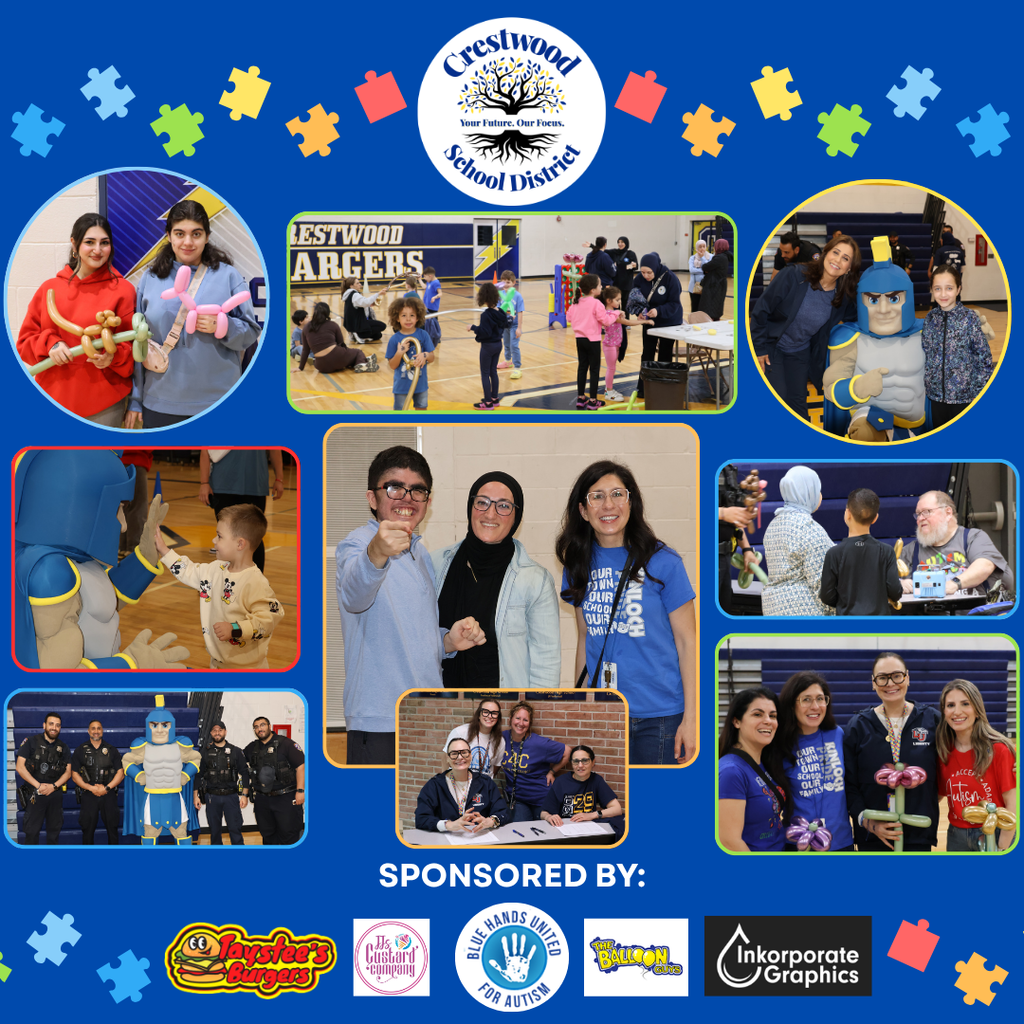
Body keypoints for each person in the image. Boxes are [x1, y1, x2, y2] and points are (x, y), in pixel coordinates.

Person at [335, 446, 485, 764]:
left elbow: (410, 636)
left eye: (417, 490)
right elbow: (353, 596)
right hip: (379, 720)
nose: (407, 498)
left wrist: (448, 640)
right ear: (372, 498)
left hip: (426, 714)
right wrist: (376, 552)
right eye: (394, 488)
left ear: (427, 502)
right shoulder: (358, 544)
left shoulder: (420, 553)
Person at [557, 460, 696, 764]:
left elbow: (689, 643)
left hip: (660, 716)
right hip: (606, 712)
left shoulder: (664, 561)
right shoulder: (577, 566)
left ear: (631, 502)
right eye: (597, 496)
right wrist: (582, 703)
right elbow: (585, 638)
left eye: (617, 494)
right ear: (583, 510)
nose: (608, 505)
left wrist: (692, 719)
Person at [128, 199, 260, 428]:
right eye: (180, 234)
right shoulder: (150, 279)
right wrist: (136, 399)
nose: (188, 242)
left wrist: (224, 326)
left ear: (207, 237)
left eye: (196, 234)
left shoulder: (228, 276)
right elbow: (139, 342)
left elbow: (251, 333)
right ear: (169, 236)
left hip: (219, 400)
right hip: (160, 400)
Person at [433, 471, 560, 688]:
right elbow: (418, 641)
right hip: (441, 701)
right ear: (470, 507)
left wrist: (533, 708)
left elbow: (546, 665)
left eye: (503, 506)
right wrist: (447, 641)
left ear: (516, 516)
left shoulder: (536, 581)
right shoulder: (435, 564)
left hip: (505, 706)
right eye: (482, 502)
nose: (490, 514)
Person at [17, 213, 136, 425]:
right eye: (89, 242)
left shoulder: (124, 290)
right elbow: (24, 342)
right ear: (74, 243)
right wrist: (50, 344)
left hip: (105, 404)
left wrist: (112, 356)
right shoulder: (49, 288)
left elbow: (133, 348)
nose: (97, 250)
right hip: (52, 399)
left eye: (104, 243)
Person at [157, 503, 285, 668]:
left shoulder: (255, 582)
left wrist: (234, 628)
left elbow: (268, 620)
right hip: (217, 663)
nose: (214, 540)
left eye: (219, 536)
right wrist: (164, 550)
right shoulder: (215, 569)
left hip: (248, 669)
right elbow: (188, 570)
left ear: (240, 544)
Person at [751, 236, 860, 420]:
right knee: (779, 397)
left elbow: (858, 318)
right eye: (835, 253)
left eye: (845, 258)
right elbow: (762, 309)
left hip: (799, 352)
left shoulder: (842, 297)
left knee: (799, 406)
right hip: (772, 347)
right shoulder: (794, 275)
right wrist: (759, 348)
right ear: (825, 253)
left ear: (849, 268)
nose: (837, 260)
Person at [843, 652, 940, 851]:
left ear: (907, 677)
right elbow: (849, 785)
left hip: (918, 835)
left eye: (897, 676)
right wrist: (869, 823)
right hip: (873, 837)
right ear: (873, 683)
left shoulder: (932, 720)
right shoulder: (858, 726)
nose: (890, 683)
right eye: (882, 678)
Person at [936, 680, 1016, 851]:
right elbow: (938, 794)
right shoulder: (943, 752)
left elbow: (1012, 803)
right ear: (944, 712)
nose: (957, 711)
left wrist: (1002, 846)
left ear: (977, 709)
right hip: (956, 835)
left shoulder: (999, 750)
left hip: (994, 831)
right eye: (950, 705)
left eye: (965, 704)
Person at [777, 674, 854, 851]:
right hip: (799, 843)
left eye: (820, 699)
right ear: (791, 704)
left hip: (840, 842)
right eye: (806, 699)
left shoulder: (837, 734)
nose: (815, 706)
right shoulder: (780, 744)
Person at [900, 491, 1014, 600]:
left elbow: (985, 566)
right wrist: (900, 584)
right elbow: (890, 577)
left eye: (926, 512)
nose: (920, 518)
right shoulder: (912, 550)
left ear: (948, 513)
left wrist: (955, 583)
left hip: (975, 612)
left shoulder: (973, 537)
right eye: (918, 514)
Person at [718, 687, 789, 852]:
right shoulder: (731, 772)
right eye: (758, 714)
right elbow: (729, 842)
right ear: (736, 721)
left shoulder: (764, 763)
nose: (768, 721)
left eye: (773, 716)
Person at [922, 265, 992, 427]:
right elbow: (926, 351)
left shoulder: (969, 318)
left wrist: (977, 391)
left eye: (949, 288)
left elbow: (984, 358)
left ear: (958, 289)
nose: (943, 294)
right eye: (937, 288)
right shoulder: (930, 318)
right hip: (936, 397)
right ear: (931, 290)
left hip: (964, 398)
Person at [761, 466, 834, 617]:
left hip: (772, 610)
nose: (820, 495)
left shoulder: (773, 525)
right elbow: (824, 585)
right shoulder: (809, 528)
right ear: (807, 492)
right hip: (805, 613)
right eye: (817, 490)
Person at [198, 449, 286, 573]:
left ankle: (256, 580)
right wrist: (204, 482)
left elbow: (275, 448)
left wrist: (279, 479)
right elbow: (206, 450)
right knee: (226, 536)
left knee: (253, 537)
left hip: (255, 485)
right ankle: (228, 580)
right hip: (223, 485)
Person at [819, 488, 902, 615]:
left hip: (847, 624)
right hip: (880, 625)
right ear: (875, 518)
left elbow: (826, 596)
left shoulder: (834, 553)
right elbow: (895, 592)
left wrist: (844, 603)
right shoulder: (887, 551)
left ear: (848, 514)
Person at [415, 737, 509, 833]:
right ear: (447, 758)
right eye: (454, 754)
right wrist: (448, 825)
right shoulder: (434, 785)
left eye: (464, 752)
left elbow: (503, 811)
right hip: (446, 839)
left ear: (471, 755)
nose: (460, 757)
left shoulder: (486, 783)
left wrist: (492, 821)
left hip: (478, 837)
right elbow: (421, 818)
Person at [500, 702, 570, 822]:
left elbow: (567, 752)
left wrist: (552, 772)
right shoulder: (502, 738)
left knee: (546, 830)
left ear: (530, 723)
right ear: (511, 719)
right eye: (518, 718)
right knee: (519, 831)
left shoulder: (538, 743)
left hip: (541, 798)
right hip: (519, 799)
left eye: (525, 720)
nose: (521, 723)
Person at [244, 717, 304, 845]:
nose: (260, 729)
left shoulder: (286, 744)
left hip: (285, 797)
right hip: (262, 799)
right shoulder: (252, 747)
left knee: (289, 834)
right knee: (267, 835)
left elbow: (301, 766)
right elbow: (237, 759)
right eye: (256, 727)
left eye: (262, 725)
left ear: (269, 726)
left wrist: (300, 791)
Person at [541, 744, 623, 835]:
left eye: (585, 761)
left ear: (593, 762)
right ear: (571, 763)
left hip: (589, 829)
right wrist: (549, 817)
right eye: (576, 761)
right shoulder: (561, 782)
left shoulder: (596, 780)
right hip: (564, 829)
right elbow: (543, 813)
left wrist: (591, 815)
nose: (580, 765)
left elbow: (617, 809)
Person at [631, 253, 681, 400]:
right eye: (642, 272)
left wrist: (659, 311)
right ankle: (643, 388)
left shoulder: (670, 278)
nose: (645, 276)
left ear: (656, 268)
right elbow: (634, 298)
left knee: (665, 353)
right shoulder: (639, 279)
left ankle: (663, 387)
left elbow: (674, 303)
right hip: (649, 321)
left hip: (669, 320)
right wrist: (639, 312)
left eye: (649, 272)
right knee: (647, 352)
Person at [16, 713, 71, 845]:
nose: (54, 728)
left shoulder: (64, 747)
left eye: (57, 725)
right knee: (31, 833)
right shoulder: (30, 742)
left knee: (54, 833)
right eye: (51, 724)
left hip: (55, 794)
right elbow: (20, 767)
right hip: (35, 794)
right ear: (44, 725)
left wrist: (53, 786)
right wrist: (39, 786)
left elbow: (68, 772)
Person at [195, 721, 251, 846]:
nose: (217, 733)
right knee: (214, 831)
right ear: (211, 733)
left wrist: (245, 795)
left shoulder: (236, 751)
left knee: (235, 829)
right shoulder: (205, 752)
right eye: (214, 730)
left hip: (231, 797)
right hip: (212, 797)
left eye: (220, 730)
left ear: (225, 732)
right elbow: (198, 775)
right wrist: (195, 796)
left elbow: (245, 773)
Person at [71, 719, 124, 845]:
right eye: (93, 728)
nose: (96, 731)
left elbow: (121, 773)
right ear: (88, 731)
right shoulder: (80, 750)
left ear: (102, 731)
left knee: (112, 829)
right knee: (87, 830)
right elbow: (74, 775)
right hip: (89, 795)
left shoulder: (112, 750)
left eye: (99, 728)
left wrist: (106, 788)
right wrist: (91, 788)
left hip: (108, 794)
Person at [718, 465, 759, 614]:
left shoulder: (728, 469)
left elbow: (735, 519)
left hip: (724, 557)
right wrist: (722, 513)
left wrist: (747, 549)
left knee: (724, 607)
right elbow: (690, 510)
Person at [597, 286, 646, 402]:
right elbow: (627, 322)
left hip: (616, 344)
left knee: (612, 368)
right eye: (617, 300)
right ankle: (608, 391)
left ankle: (609, 389)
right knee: (611, 368)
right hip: (610, 345)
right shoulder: (610, 313)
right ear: (609, 301)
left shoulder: (614, 313)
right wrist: (645, 321)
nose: (620, 302)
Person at [386, 295, 434, 410]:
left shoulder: (423, 335)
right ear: (397, 318)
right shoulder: (394, 339)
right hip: (401, 387)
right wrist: (399, 353)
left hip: (421, 386)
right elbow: (392, 365)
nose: (408, 319)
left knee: (421, 410)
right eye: (404, 315)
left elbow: (432, 357)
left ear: (417, 317)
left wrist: (425, 355)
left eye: (412, 315)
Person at [297, 302, 373, 375]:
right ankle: (362, 362)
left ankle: (360, 360)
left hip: (321, 366)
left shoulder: (306, 327)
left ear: (314, 312)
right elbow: (341, 343)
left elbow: (305, 350)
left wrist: (300, 368)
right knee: (358, 352)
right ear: (328, 313)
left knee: (343, 359)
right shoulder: (333, 324)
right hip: (336, 358)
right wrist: (347, 354)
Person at [567, 273, 606, 410]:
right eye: (600, 285)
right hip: (593, 341)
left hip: (580, 340)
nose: (601, 287)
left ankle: (581, 397)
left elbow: (569, 318)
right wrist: (616, 314)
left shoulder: (576, 302)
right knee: (594, 369)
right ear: (593, 290)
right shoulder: (597, 303)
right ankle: (593, 400)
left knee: (582, 367)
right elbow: (605, 321)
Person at [443, 699, 506, 776]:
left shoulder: (500, 741)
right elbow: (446, 758)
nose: (490, 716)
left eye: (494, 713)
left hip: (484, 783)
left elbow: (495, 768)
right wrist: (444, 779)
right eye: (485, 712)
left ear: (498, 717)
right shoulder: (460, 732)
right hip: (458, 782)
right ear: (479, 715)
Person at [467, 282, 505, 409]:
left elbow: (485, 332)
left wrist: (473, 327)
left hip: (488, 347)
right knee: (493, 371)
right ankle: (495, 398)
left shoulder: (486, 315)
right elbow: (505, 324)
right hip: (498, 344)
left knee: (485, 373)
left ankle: (488, 403)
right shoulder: (501, 312)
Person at [611, 237, 638, 358]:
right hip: (617, 282)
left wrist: (632, 266)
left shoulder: (631, 254)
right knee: (616, 302)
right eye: (619, 242)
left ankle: (626, 321)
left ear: (626, 243)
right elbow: (603, 251)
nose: (620, 244)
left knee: (626, 302)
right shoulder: (615, 253)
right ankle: (616, 319)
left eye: (622, 242)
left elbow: (635, 265)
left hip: (627, 283)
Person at [496, 270, 525, 379]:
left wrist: (519, 328)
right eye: (503, 282)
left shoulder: (517, 296)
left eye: (508, 282)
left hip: (514, 325)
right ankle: (508, 361)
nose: (506, 285)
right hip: (505, 325)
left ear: (514, 282)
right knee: (507, 344)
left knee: (514, 346)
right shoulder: (501, 295)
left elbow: (520, 312)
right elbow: (498, 309)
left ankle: (517, 368)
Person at [341, 276, 388, 344]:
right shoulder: (354, 295)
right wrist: (378, 293)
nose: (360, 284)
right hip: (357, 324)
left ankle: (361, 335)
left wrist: (369, 305)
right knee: (382, 326)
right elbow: (366, 302)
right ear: (351, 285)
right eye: (357, 283)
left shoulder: (350, 294)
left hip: (354, 323)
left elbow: (361, 305)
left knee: (378, 335)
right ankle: (358, 334)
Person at [699, 239, 732, 321]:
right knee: (717, 307)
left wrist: (703, 260)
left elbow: (705, 267)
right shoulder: (724, 256)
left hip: (714, 285)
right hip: (719, 284)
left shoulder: (719, 258)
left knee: (710, 308)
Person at [688, 240, 712, 314]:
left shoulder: (711, 257)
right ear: (697, 248)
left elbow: (709, 269)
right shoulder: (692, 258)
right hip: (694, 287)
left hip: (706, 287)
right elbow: (692, 270)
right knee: (695, 308)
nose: (702, 248)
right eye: (700, 247)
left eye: (704, 246)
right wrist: (704, 271)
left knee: (704, 309)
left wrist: (702, 258)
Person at [422, 266, 443, 347]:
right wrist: (420, 279)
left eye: (425, 277)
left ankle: (437, 336)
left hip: (433, 307)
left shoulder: (436, 283)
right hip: (428, 306)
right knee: (430, 321)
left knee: (434, 322)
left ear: (430, 276)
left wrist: (434, 297)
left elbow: (440, 293)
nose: (424, 279)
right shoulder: (429, 282)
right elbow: (424, 287)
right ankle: (432, 335)